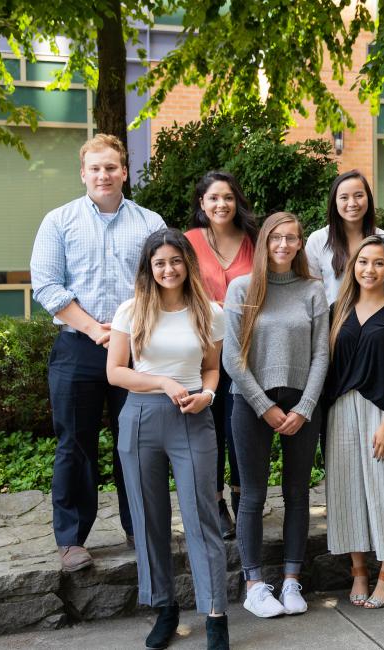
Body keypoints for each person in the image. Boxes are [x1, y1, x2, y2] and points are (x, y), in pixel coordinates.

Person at [30, 134, 165, 572]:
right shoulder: (59, 221)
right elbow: (48, 286)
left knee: (138, 442)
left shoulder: (149, 223)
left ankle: (140, 529)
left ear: (124, 171)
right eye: (95, 168)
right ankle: (71, 540)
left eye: (111, 167)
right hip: (77, 348)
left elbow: (163, 280)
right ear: (83, 173)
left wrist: (126, 334)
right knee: (75, 444)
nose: (103, 175)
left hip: (137, 350)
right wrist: (96, 330)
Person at [106, 229, 229, 650]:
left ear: (187, 264)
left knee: (202, 518)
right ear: (149, 267)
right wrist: (160, 381)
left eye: (175, 261)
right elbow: (116, 372)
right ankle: (164, 608)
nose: (168, 269)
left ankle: (215, 615)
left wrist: (207, 395)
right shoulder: (131, 310)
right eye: (159, 262)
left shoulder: (209, 311)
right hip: (140, 419)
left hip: (193, 418)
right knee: (149, 519)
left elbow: (213, 369)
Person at [223, 212, 329, 619]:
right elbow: (232, 356)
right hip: (251, 404)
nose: (283, 245)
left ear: (301, 244)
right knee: (251, 495)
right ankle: (254, 585)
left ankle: (289, 580)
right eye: (276, 238)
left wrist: (303, 407)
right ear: (264, 243)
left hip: (303, 404)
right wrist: (264, 407)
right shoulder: (242, 288)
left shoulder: (312, 291)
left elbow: (322, 353)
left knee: (297, 493)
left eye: (292, 239)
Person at [324, 235, 384, 608]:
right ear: (353, 266)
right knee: (347, 492)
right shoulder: (336, 310)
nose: (370, 269)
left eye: (379, 263)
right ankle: (359, 570)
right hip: (340, 411)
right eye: (363, 262)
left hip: (381, 411)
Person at [185, 170, 258, 539]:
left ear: (237, 201)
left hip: (247, 352)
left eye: (228, 197)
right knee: (207, 430)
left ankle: (243, 498)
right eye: (213, 198)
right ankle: (214, 504)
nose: (221, 204)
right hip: (202, 355)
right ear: (202, 203)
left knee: (239, 428)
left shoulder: (255, 241)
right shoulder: (188, 243)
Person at [306, 170, 384, 306]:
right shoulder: (317, 240)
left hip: (376, 322)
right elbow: (311, 292)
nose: (352, 203)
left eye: (358, 195)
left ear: (368, 199)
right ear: (334, 202)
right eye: (344, 197)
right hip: (333, 322)